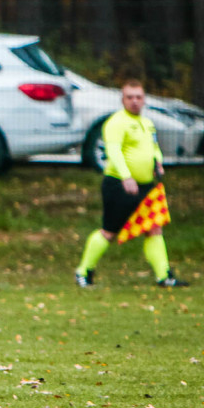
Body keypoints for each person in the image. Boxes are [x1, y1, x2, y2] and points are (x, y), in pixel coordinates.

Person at [75, 80, 188, 288]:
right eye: (130, 97)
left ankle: (164, 276)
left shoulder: (147, 123)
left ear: (144, 99)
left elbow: (153, 147)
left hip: (146, 186)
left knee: (154, 228)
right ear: (123, 99)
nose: (135, 102)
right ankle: (84, 271)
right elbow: (114, 152)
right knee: (109, 231)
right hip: (119, 184)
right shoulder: (116, 122)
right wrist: (126, 177)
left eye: (138, 97)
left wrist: (158, 162)